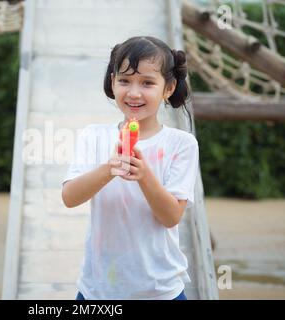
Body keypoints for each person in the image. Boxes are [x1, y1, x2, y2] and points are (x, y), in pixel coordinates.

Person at [61, 36, 199, 300]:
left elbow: (171, 216)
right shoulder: (94, 136)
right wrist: (108, 169)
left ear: (168, 88)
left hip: (161, 290)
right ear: (112, 82)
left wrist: (144, 175)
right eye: (125, 81)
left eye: (147, 83)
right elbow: (69, 197)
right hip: (97, 290)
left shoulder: (181, 144)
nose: (134, 93)